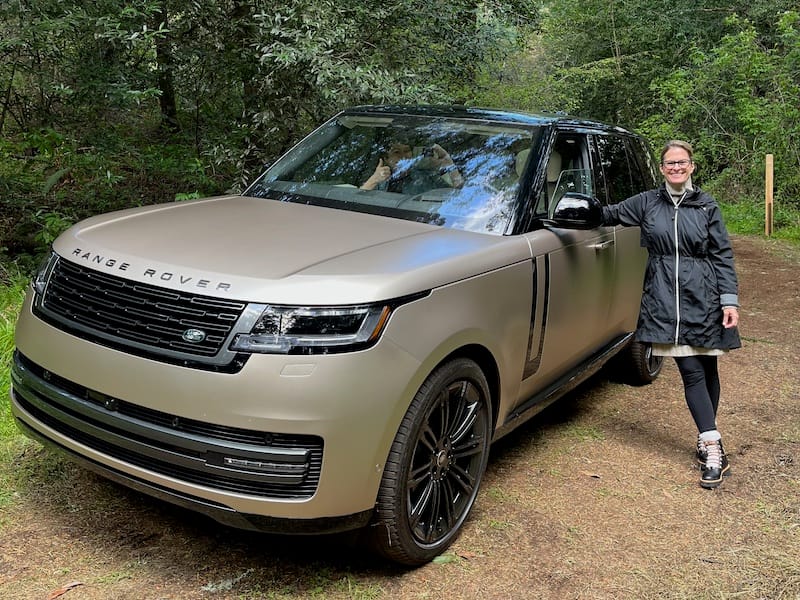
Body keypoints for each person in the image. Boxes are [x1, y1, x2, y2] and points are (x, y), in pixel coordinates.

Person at [601, 140, 741, 489]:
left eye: (682, 162)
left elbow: (722, 254)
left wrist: (729, 300)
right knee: (690, 369)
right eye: (669, 163)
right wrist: (573, 210)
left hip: (703, 295)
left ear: (692, 166)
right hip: (664, 296)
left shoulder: (707, 205)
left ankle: (705, 432)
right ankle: (712, 446)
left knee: (708, 366)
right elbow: (609, 213)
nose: (676, 168)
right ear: (662, 169)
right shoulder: (648, 202)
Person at [360, 141, 463, 192]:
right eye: (396, 152)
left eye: (406, 151)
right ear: (386, 158)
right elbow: (355, 202)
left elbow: (458, 196)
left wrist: (450, 165)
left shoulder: (427, 176)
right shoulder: (379, 180)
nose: (403, 156)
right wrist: (374, 180)